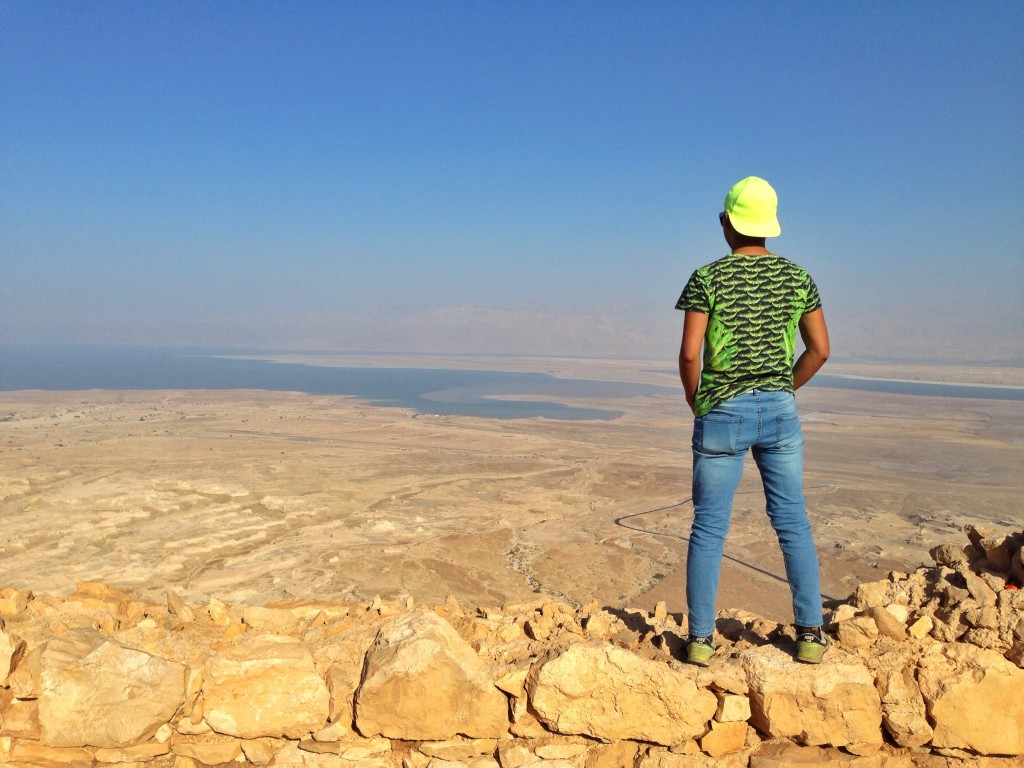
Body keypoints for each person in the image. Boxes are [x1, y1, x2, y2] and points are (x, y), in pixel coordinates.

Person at [675, 176, 831, 665]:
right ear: (769, 227)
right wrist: (785, 388)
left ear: (727, 222)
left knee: (709, 528)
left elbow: (688, 355)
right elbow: (820, 350)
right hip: (780, 412)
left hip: (722, 411)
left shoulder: (707, 278)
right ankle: (810, 634)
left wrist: (697, 401)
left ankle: (700, 641)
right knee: (792, 522)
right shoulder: (798, 277)